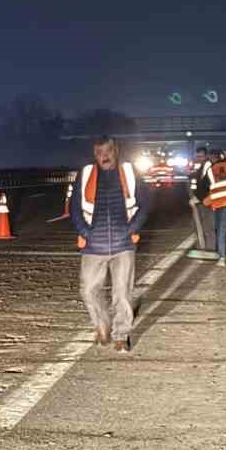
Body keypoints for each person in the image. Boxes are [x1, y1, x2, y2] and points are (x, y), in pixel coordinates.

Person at [72, 135, 151, 352]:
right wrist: (85, 231)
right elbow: (74, 208)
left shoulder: (129, 171)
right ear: (94, 154)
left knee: (122, 293)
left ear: (116, 150)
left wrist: (131, 228)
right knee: (88, 290)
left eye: (107, 151)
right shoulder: (86, 173)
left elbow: (145, 203)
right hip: (93, 245)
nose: (103, 157)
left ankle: (121, 335)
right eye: (99, 153)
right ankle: (101, 325)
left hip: (123, 244)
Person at [189, 144, 215, 249]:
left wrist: (197, 198)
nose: (199, 159)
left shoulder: (208, 165)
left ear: (206, 156)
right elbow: (198, 178)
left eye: (201, 156)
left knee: (208, 227)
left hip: (207, 201)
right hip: (201, 201)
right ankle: (203, 247)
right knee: (200, 225)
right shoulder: (202, 166)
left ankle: (211, 249)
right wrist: (190, 175)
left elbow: (207, 185)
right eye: (197, 156)